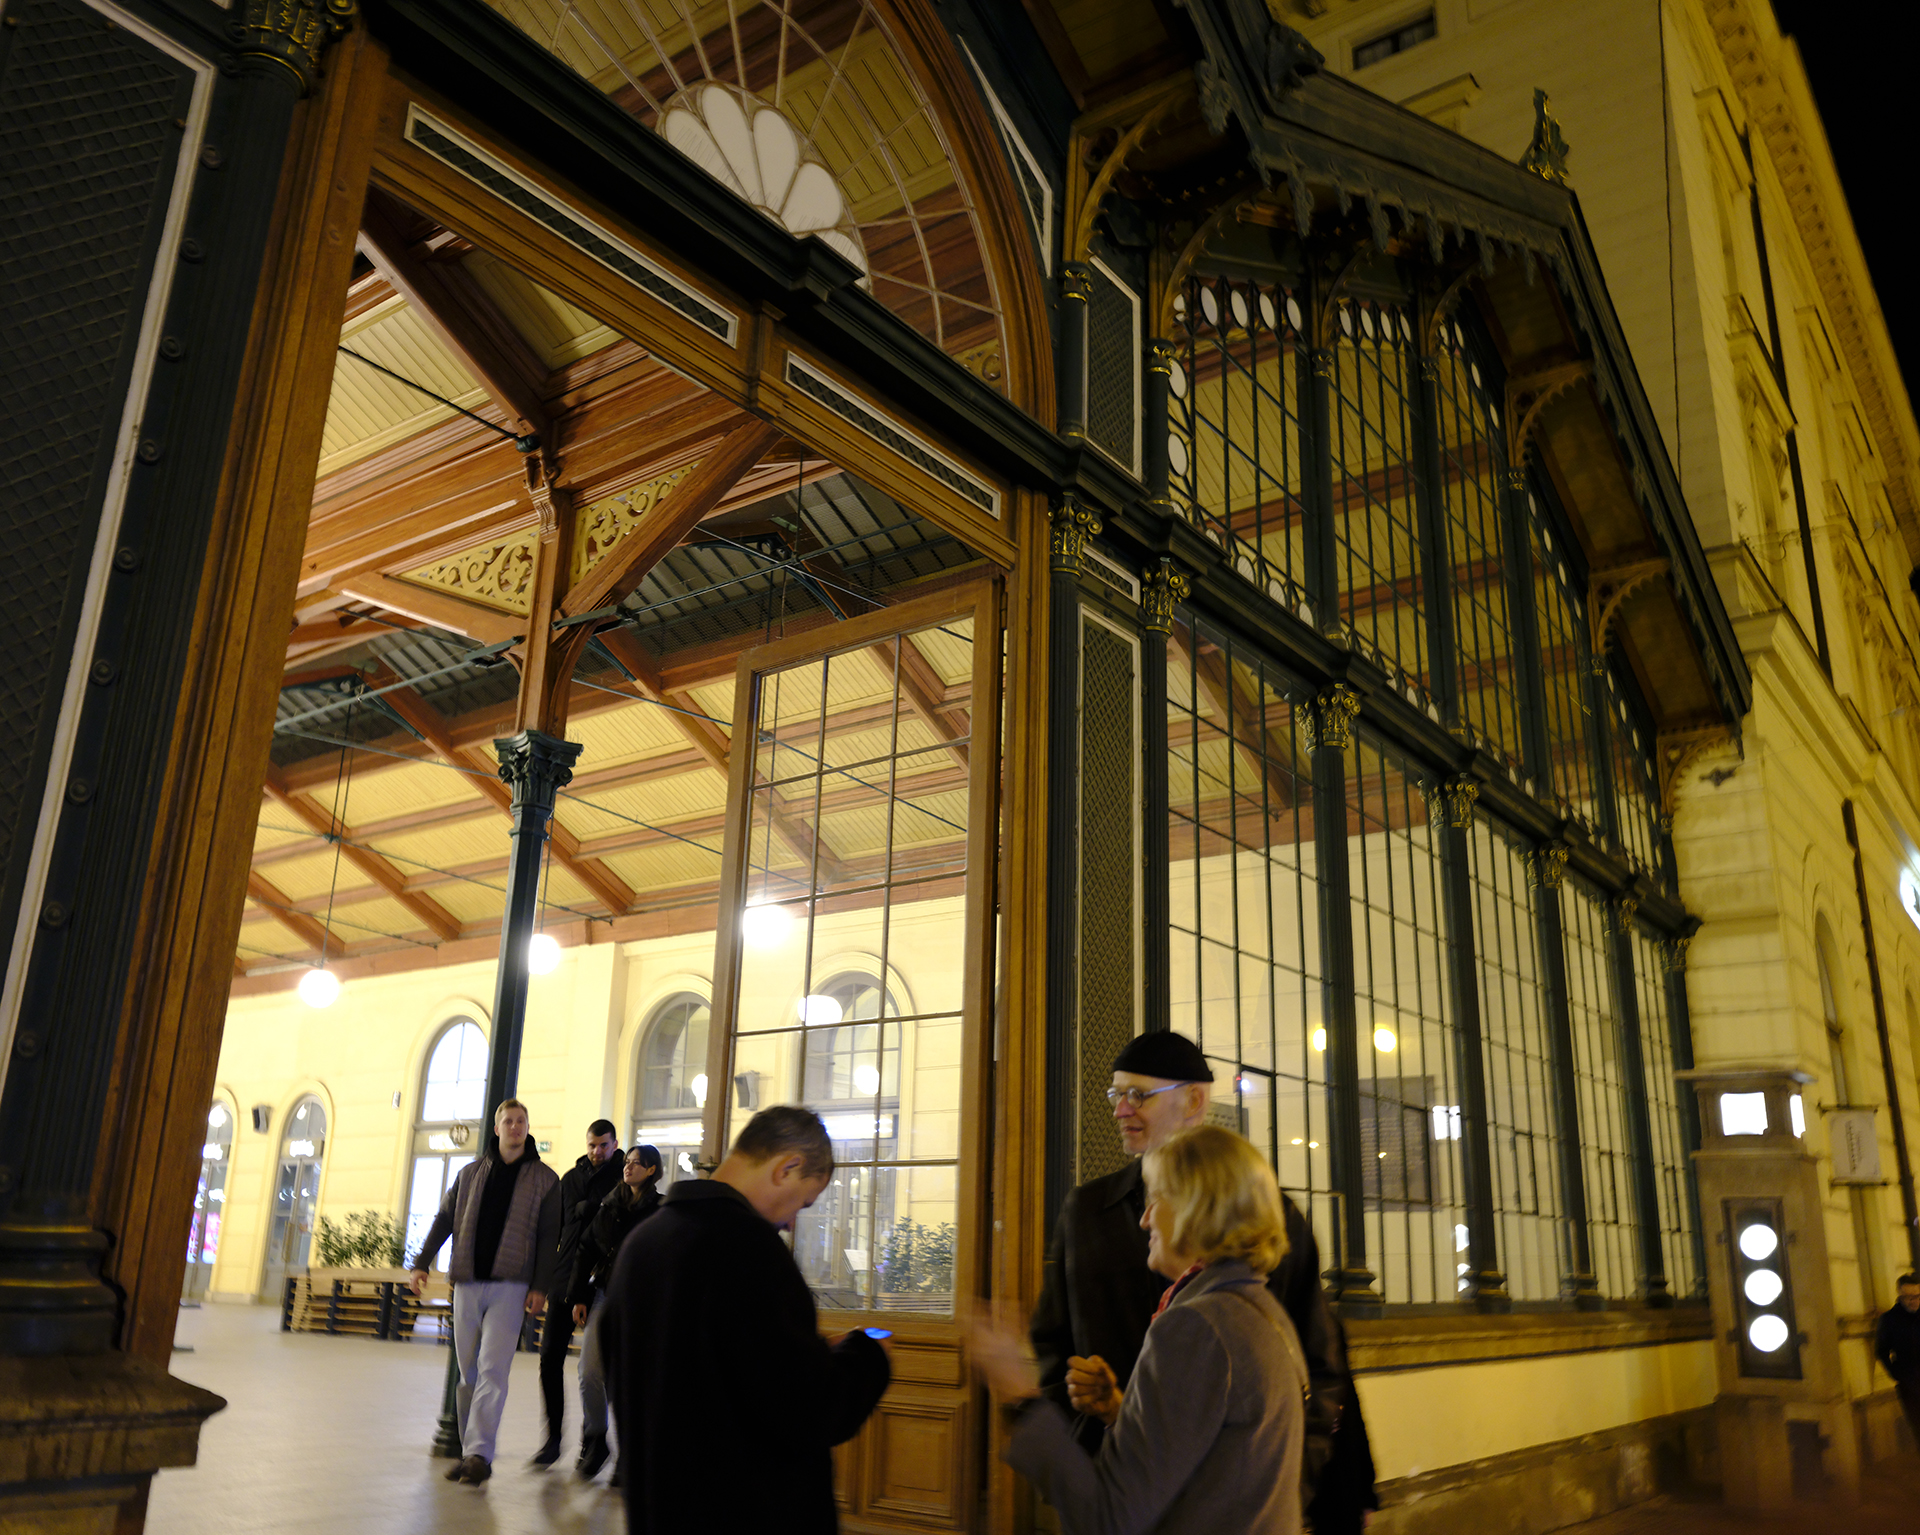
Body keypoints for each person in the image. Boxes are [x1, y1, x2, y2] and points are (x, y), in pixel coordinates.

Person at [1029, 1031, 1372, 1524]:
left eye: (1138, 1095)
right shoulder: (1086, 1212)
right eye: (1116, 1094)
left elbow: (1316, 1366)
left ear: (1194, 1100)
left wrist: (1289, 1483)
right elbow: (1053, 1345)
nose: (1121, 1110)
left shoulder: (1264, 1218)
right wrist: (1086, 1446)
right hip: (1117, 1485)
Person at [973, 1125, 1308, 1532]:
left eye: (1155, 1199)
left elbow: (1108, 1519)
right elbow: (1216, 1460)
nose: (1145, 1220)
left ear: (1195, 1208)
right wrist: (1121, 1411)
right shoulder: (1259, 1309)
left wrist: (1020, 1398)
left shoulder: (1196, 1326)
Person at [601, 1106, 890, 1533]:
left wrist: (808, 1354)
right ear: (787, 1168)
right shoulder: (751, 1251)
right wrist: (868, 1354)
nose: (791, 1221)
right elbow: (808, 1409)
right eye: (803, 1202)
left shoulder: (643, 1242)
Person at [409, 1098, 561, 1486]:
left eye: (521, 1121)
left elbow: (549, 1237)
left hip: (511, 1286)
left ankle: (479, 1454)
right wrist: (422, 1262)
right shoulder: (470, 1173)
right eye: (508, 1121)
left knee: (493, 1370)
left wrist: (540, 1286)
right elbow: (445, 1218)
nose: (515, 1127)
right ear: (497, 1128)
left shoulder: (545, 1180)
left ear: (527, 1128)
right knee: (468, 1374)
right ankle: (469, 1451)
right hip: (468, 1282)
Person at [565, 1143, 662, 1483]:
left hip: (640, 1302)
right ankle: (595, 1439)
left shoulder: (659, 1210)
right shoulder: (610, 1204)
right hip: (604, 1295)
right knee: (589, 1371)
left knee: (630, 1379)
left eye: (636, 1163)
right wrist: (579, 1296)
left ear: (651, 1170)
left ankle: (629, 1454)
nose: (628, 1167)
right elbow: (586, 1248)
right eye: (627, 1162)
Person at [533, 1118, 624, 1467]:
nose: (597, 1151)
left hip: (600, 1282)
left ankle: (594, 1438)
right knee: (549, 1359)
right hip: (565, 1279)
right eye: (592, 1145)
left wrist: (589, 1208)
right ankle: (553, 1438)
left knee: (595, 1369)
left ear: (614, 1144)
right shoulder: (570, 1179)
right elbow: (558, 1227)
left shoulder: (622, 1179)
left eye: (603, 1145)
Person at [1874, 1272, 1920, 1447]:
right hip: (1909, 1384)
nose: (1913, 1301)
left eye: (1917, 1296)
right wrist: (1896, 1373)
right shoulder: (1890, 1319)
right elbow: (1881, 1350)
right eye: (1908, 1297)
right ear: (1900, 1295)